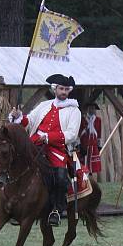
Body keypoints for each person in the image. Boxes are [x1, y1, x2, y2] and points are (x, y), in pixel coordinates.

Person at [8, 74, 80, 226]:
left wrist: (48, 137)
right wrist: (19, 117)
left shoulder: (74, 111)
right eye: (61, 89)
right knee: (15, 163)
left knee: (60, 177)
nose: (64, 92)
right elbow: (29, 121)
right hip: (34, 145)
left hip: (57, 149)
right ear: (55, 89)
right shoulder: (44, 105)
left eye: (66, 89)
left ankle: (56, 210)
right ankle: (13, 205)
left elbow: (72, 134)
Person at [79, 102, 102, 174]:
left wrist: (99, 145)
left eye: (93, 108)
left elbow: (99, 134)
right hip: (84, 146)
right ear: (87, 109)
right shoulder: (83, 119)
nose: (92, 110)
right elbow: (80, 133)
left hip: (93, 146)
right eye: (90, 108)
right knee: (83, 165)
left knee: (93, 167)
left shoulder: (98, 120)